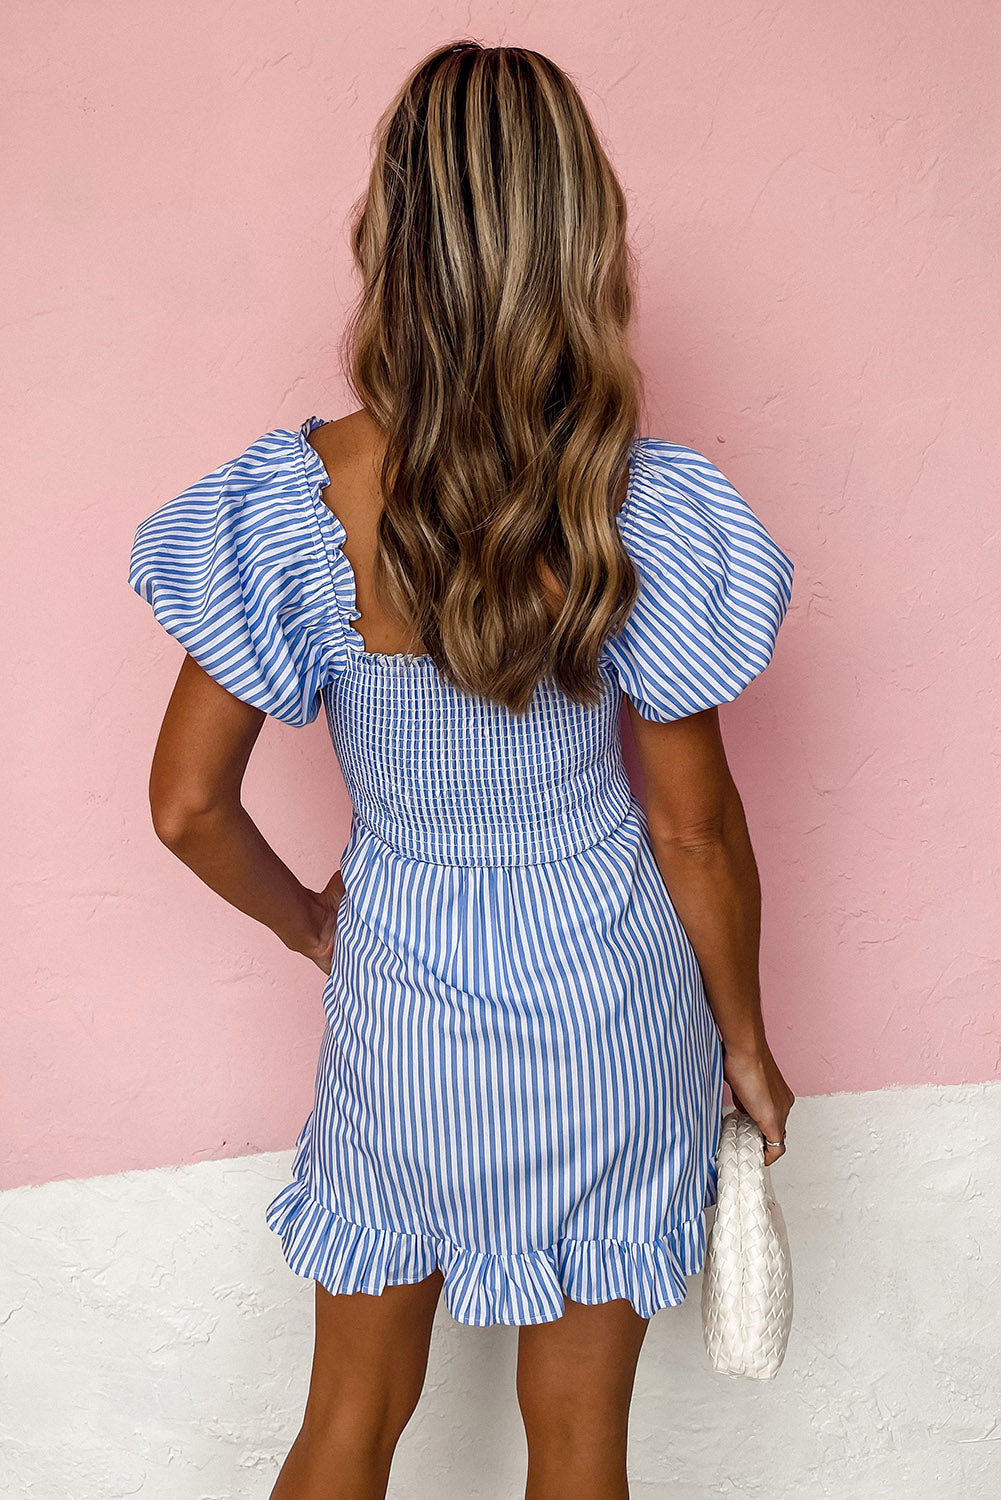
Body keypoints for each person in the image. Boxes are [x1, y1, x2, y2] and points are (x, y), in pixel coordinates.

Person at [127, 39, 796, 1500]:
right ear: (579, 240)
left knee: (349, 1424)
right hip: (610, 1003)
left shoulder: (294, 503)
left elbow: (185, 807)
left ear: (394, 236)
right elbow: (694, 835)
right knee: (578, 1451)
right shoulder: (637, 506)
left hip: (401, 996)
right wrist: (742, 1039)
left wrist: (312, 918)